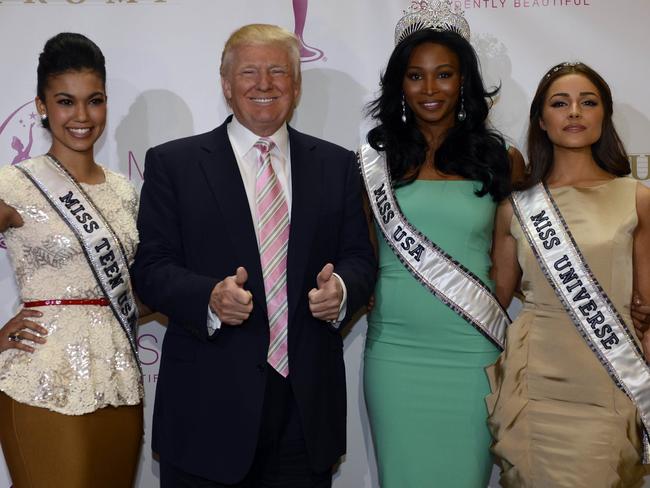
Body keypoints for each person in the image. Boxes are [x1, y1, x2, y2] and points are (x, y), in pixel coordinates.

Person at [132, 23, 376, 487]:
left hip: (306, 414)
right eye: (248, 72)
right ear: (226, 84)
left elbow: (359, 258)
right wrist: (209, 297)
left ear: (297, 84)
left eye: (277, 72)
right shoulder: (174, 164)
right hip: (206, 414)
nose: (264, 84)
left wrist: (341, 290)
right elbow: (151, 270)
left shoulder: (337, 165)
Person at [358, 1, 523, 486]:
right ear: (399, 85)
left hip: (472, 351)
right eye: (415, 76)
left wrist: (487, 311)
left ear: (464, 81)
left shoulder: (501, 157)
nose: (429, 90)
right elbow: (365, 251)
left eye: (444, 74)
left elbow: (506, 257)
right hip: (395, 353)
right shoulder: (375, 162)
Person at [487, 62, 650, 487]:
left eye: (588, 102)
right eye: (560, 103)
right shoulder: (515, 208)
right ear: (542, 120)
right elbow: (494, 297)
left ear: (604, 115)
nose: (574, 112)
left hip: (609, 384)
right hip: (536, 387)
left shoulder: (637, 199)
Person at [0, 33, 143, 487]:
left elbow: (139, 290)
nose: (81, 116)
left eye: (94, 101)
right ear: (41, 105)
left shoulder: (124, 191)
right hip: (42, 376)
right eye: (65, 101)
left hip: (120, 378)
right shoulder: (14, 182)